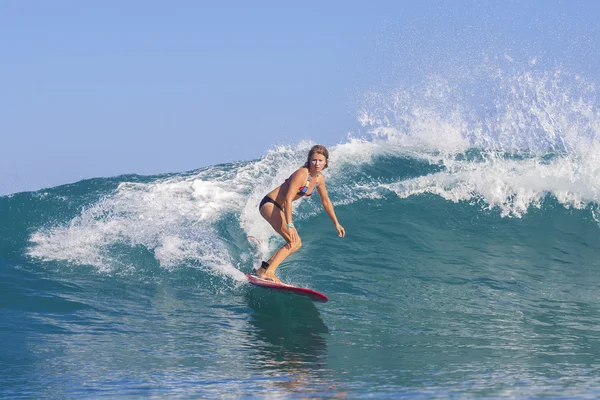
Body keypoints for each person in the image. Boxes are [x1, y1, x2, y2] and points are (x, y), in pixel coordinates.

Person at [256, 145, 345, 283]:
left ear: (326, 162)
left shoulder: (319, 179)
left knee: (296, 244)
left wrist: (336, 223)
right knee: (293, 241)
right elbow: (288, 199)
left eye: (320, 160)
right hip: (270, 204)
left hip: (278, 207)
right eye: (314, 160)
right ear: (309, 161)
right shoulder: (302, 173)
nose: (317, 163)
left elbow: (326, 201)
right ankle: (269, 272)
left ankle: (263, 269)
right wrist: (290, 224)